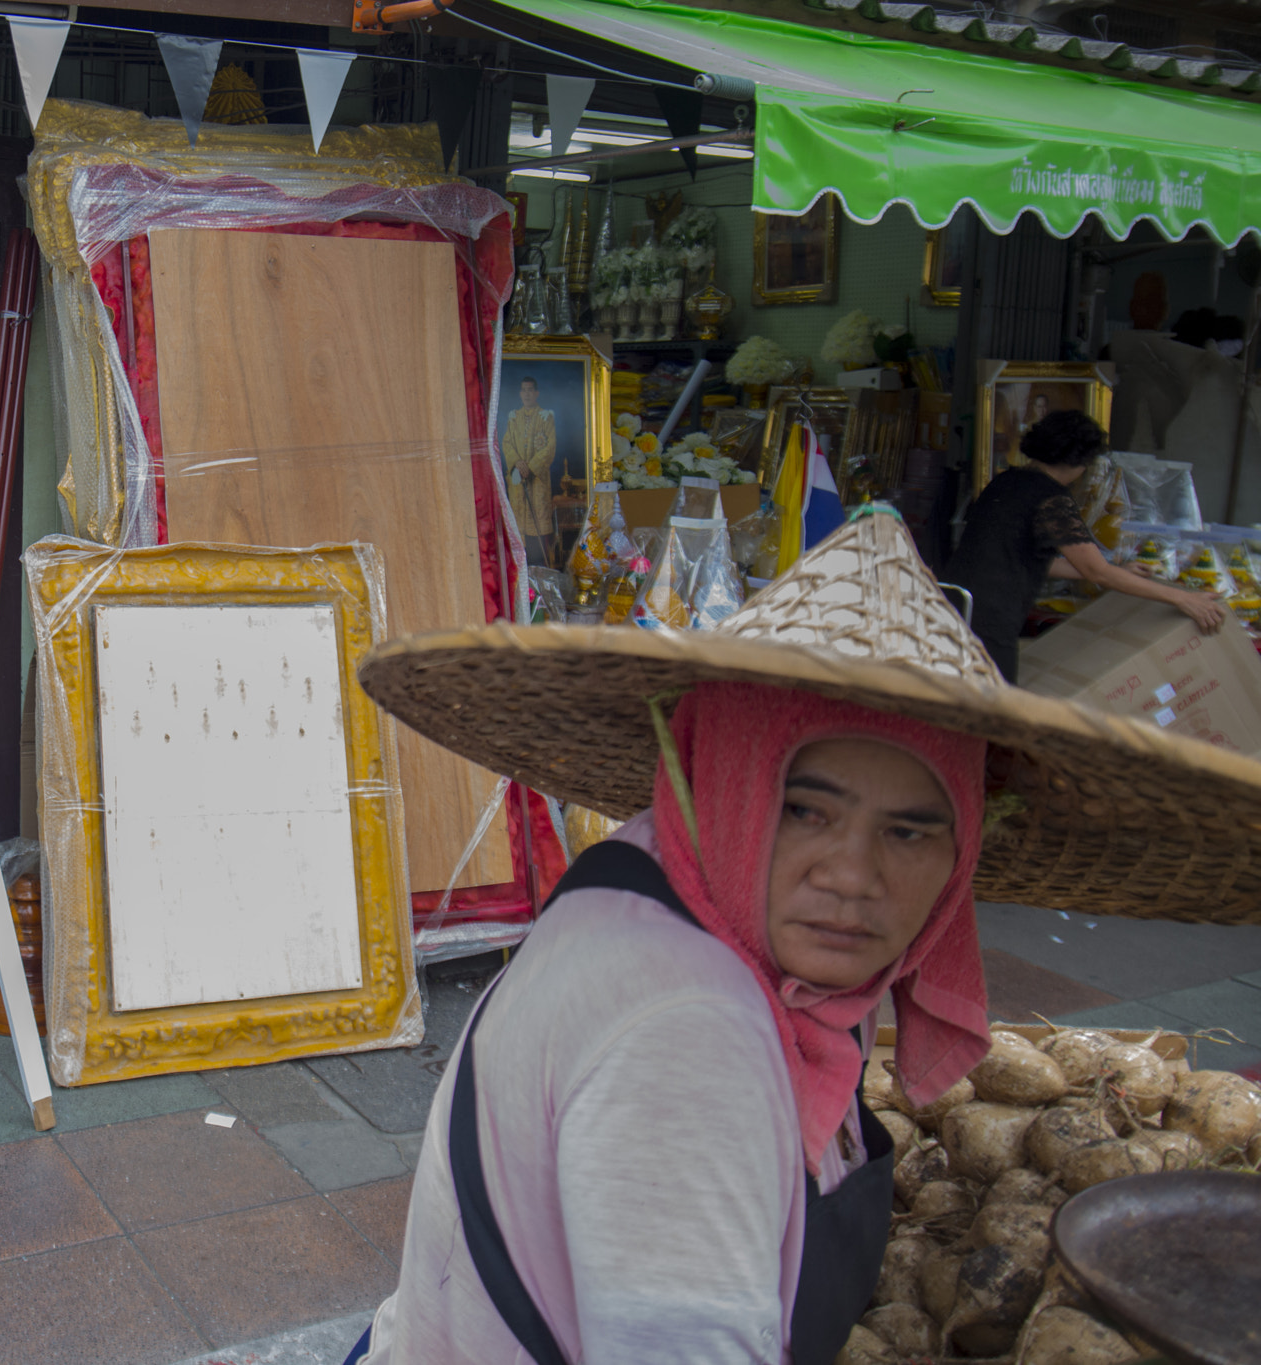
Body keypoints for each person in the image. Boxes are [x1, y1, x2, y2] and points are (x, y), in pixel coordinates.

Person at [347, 507, 1261, 1365]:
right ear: (727, 784)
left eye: (910, 829)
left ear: (966, 842)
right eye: (801, 808)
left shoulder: (691, 881)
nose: (851, 877)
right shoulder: (686, 1035)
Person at [946, 409, 1224, 682]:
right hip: (987, 618)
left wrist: (1117, 570)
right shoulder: (1050, 498)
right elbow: (1097, 572)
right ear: (1078, 461)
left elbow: (1029, 557)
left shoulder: (1007, 481)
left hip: (954, 604)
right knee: (988, 708)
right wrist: (1183, 598)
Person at [503, 377, 556, 564]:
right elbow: (507, 443)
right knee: (519, 533)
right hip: (518, 483)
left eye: (530, 390)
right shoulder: (513, 417)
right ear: (520, 393)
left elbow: (550, 446)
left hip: (537, 484)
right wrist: (518, 462)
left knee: (537, 535)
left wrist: (531, 467)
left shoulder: (545, 416)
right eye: (523, 390)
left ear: (536, 393)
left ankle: (539, 576)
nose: (526, 394)